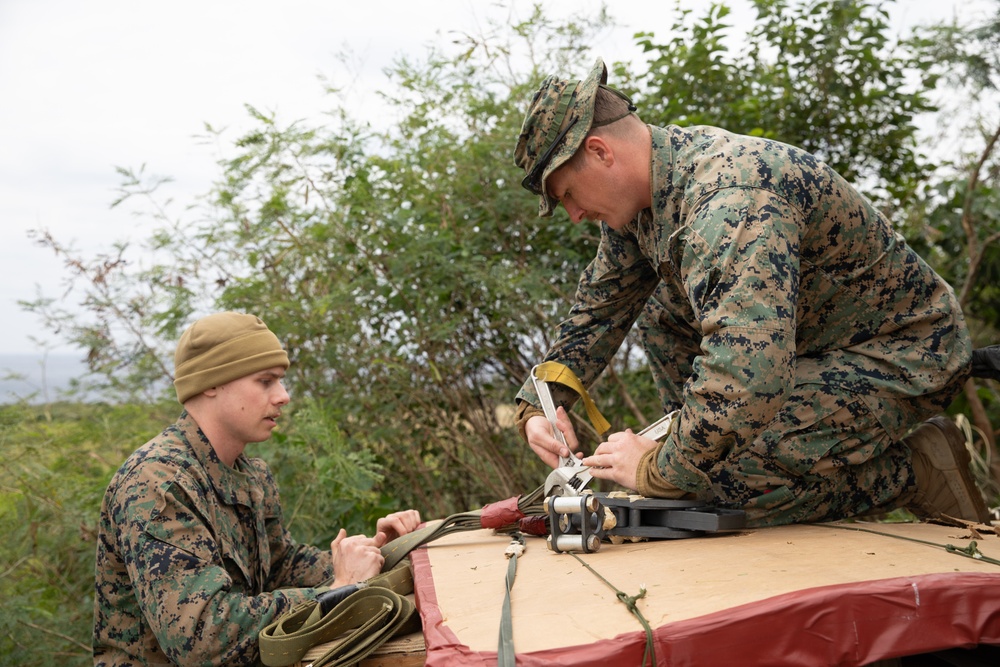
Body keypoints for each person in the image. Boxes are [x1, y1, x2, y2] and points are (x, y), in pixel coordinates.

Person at [511, 57, 991, 527]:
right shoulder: (643, 205)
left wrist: (659, 468)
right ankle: (705, 456)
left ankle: (915, 469)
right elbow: (599, 306)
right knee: (668, 334)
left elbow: (748, 377)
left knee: (714, 495)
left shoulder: (730, 199)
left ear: (599, 151)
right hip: (806, 355)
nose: (573, 214)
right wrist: (542, 407)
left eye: (567, 195)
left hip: (903, 353)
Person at [93, 311, 421, 666]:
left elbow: (280, 565)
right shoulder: (158, 483)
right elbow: (203, 638)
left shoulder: (250, 474)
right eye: (265, 381)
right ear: (212, 383)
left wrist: (376, 557)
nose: (283, 396)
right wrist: (336, 593)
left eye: (279, 381)